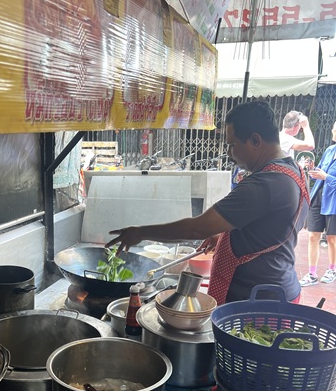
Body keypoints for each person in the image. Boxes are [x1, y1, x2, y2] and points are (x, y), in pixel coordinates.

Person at [106, 101, 309, 304]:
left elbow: (198, 229)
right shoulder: (295, 171)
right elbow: (270, 228)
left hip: (256, 302)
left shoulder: (265, 184)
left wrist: (140, 233)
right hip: (277, 289)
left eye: (232, 145)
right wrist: (225, 234)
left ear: (255, 140)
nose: (229, 154)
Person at [299, 120, 336, 286]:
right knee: (313, 235)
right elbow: (319, 170)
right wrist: (312, 168)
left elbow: (326, 176)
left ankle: (332, 269)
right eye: (333, 128)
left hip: (333, 201)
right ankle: (312, 274)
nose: (333, 131)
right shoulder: (329, 150)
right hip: (318, 197)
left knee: (332, 238)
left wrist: (326, 177)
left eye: (335, 129)